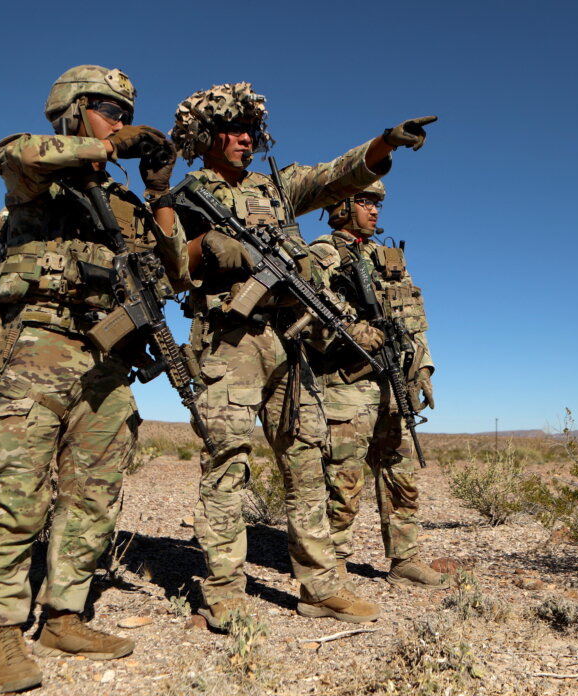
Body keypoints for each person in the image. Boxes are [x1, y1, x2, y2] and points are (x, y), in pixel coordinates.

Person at [169, 82, 435, 627]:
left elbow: (335, 176)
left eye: (250, 129)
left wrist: (384, 143)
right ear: (207, 135)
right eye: (233, 129)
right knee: (228, 463)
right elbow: (165, 264)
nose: (245, 138)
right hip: (230, 341)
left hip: (289, 343)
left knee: (308, 463)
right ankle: (223, 590)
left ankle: (320, 587)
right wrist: (205, 248)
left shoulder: (276, 189)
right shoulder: (186, 196)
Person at [0, 65, 187, 693]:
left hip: (108, 361)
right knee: (18, 491)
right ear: (71, 110)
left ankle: (65, 615)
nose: (119, 123)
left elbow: (175, 271)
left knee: (93, 495)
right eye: (108, 110)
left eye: (125, 116)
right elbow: (12, 155)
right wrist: (107, 148)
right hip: (41, 347)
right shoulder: (38, 174)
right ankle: (0, 629)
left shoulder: (124, 204)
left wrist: (160, 193)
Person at [308, 182, 447, 589]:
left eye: (377, 204)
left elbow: (413, 320)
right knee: (343, 480)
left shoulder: (389, 259)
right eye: (365, 202)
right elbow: (306, 315)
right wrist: (353, 334)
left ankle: (404, 559)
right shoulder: (321, 254)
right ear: (341, 206)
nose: (374, 211)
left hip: (393, 382)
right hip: (345, 385)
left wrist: (423, 368)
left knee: (401, 475)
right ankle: (333, 563)